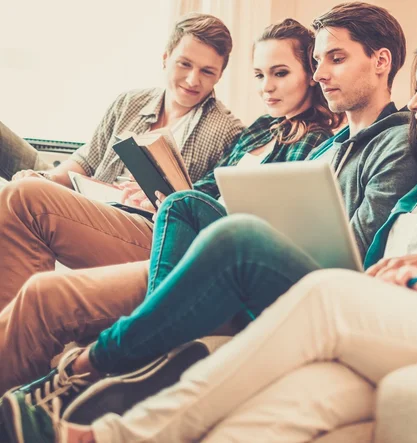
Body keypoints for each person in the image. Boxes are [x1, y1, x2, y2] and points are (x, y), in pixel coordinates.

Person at [8, 9, 417, 443]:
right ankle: (93, 436)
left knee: (263, 255)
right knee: (278, 409)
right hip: (391, 297)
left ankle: (107, 364)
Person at [0, 17, 340, 393]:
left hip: (190, 238)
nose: (267, 87)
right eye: (259, 75)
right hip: (154, 212)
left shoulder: (315, 142)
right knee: (23, 192)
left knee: (25, 203)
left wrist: (170, 199)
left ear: (311, 75)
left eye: (280, 73)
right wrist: (169, 195)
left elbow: (255, 218)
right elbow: (207, 188)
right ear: (165, 59)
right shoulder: (261, 128)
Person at [0, 13, 244, 307]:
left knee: (21, 196)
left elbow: (211, 212)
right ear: (165, 58)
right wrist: (48, 180)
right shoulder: (130, 102)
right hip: (82, 193)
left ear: (219, 75)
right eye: (185, 64)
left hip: (128, 222)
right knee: (26, 178)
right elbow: (85, 162)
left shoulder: (227, 132)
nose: (193, 80)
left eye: (207, 71)